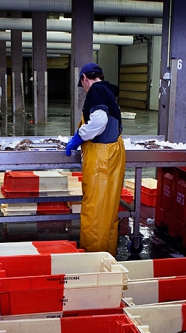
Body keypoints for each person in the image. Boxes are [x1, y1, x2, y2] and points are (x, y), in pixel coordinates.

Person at [65, 62, 125, 256]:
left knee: (94, 211)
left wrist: (78, 137)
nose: (83, 88)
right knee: (108, 209)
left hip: (100, 155)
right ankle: (108, 255)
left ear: (84, 78)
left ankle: (93, 257)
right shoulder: (108, 92)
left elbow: (99, 121)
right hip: (114, 153)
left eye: (81, 83)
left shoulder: (96, 90)